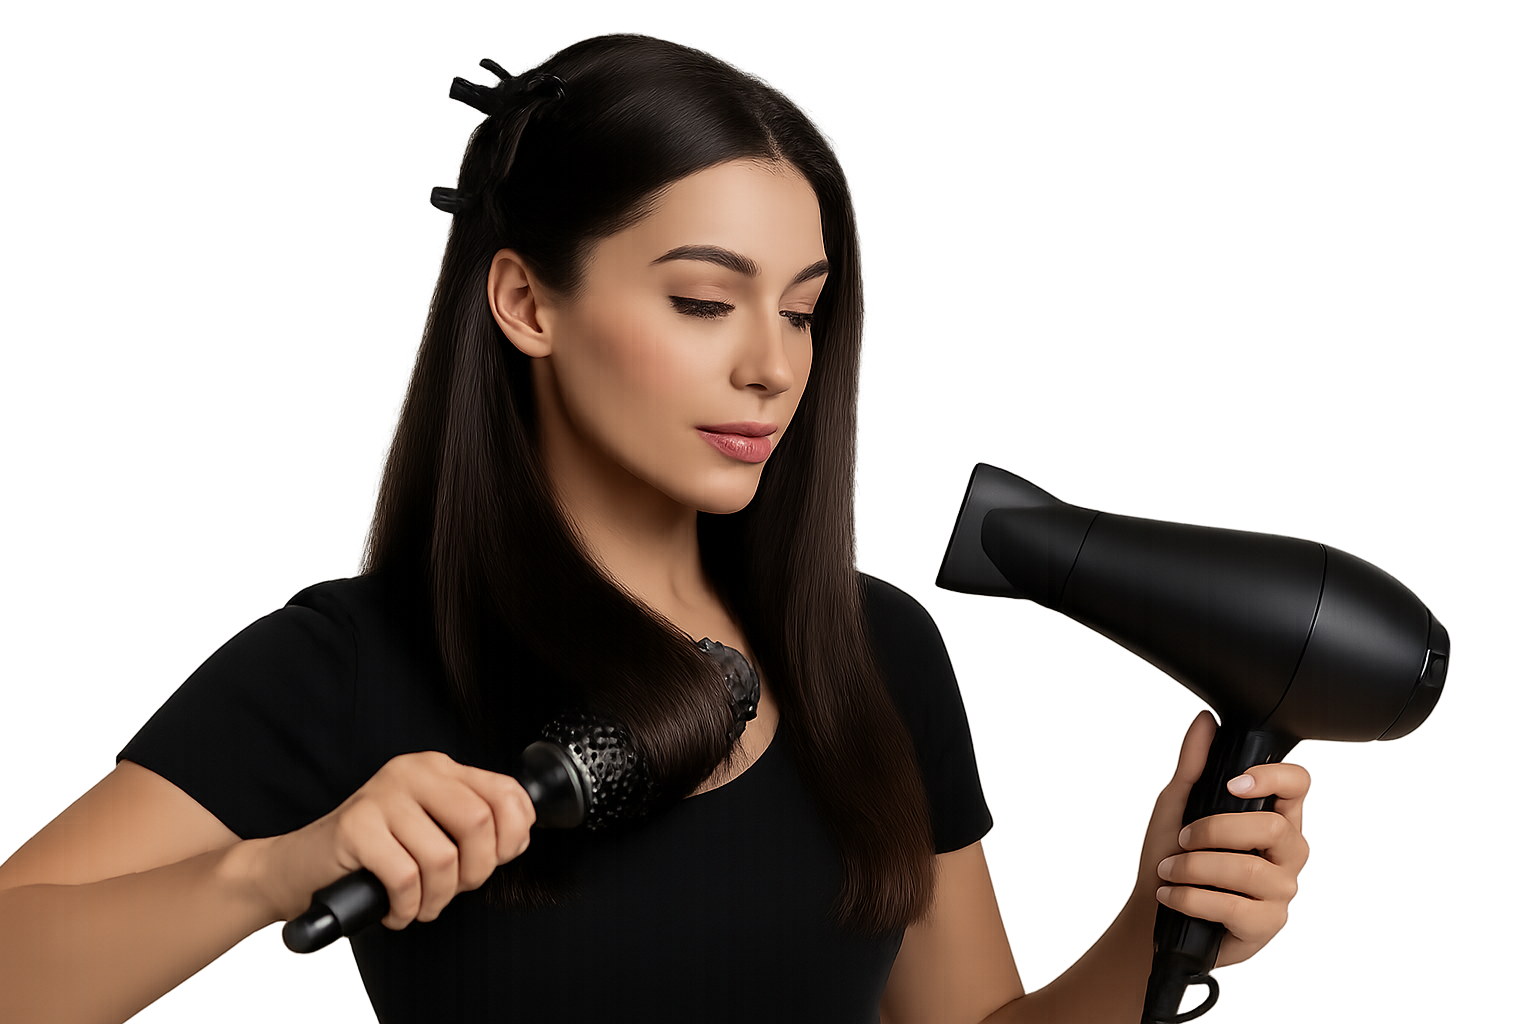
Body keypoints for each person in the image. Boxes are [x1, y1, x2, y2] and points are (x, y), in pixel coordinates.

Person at [0, 34, 1309, 1023]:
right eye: (702, 301)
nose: (771, 368)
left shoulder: (873, 655)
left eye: (802, 311)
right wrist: (273, 872)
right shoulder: (352, 663)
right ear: (524, 301)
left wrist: (1160, 914)